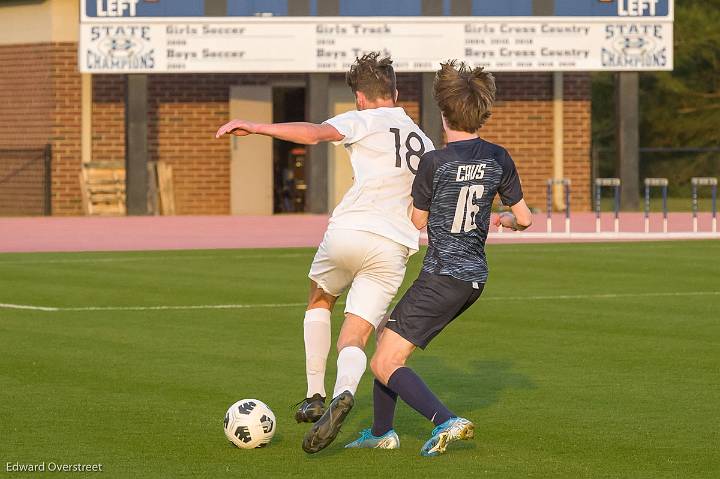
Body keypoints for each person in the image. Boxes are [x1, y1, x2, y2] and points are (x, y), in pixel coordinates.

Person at [215, 53, 434, 454]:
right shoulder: (423, 138)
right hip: (394, 247)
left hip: (350, 232)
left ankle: (316, 393)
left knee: (320, 297)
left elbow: (315, 134)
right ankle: (343, 392)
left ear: (361, 97)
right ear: (396, 92)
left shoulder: (363, 118)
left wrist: (257, 126)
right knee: (357, 334)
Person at [344, 60, 533, 456]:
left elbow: (416, 220)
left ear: (443, 115)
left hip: (441, 276)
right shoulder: (499, 157)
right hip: (473, 280)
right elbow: (525, 218)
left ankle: (446, 420)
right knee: (387, 340)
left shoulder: (435, 163)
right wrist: (502, 219)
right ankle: (381, 432)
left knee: (384, 362)